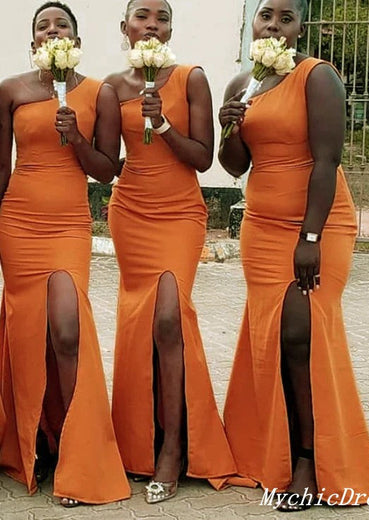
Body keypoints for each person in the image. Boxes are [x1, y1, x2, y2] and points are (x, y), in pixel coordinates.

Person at [218, 0, 369, 512]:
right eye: (266, 15)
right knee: (277, 338)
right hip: (262, 229)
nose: (274, 25)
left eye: (285, 18)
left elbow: (327, 159)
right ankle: (281, 449)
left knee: (299, 333)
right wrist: (228, 125)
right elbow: (234, 165)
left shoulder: (317, 77)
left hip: (320, 225)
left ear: (299, 28)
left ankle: (310, 460)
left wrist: (310, 237)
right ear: (253, 23)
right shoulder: (241, 85)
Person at [105, 0, 237, 505]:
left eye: (162, 19)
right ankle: (138, 442)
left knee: (168, 317)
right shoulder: (111, 86)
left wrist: (161, 125)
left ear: (170, 30)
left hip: (180, 212)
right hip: (130, 212)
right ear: (125, 27)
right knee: (141, 325)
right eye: (143, 16)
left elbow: (203, 158)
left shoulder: (191, 78)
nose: (152, 25)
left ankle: (174, 447)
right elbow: (108, 162)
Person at [0, 1, 130, 507]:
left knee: (67, 328)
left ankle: (79, 454)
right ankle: (35, 441)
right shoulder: (10, 90)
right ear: (33, 40)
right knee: (28, 332)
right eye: (43, 26)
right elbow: (2, 168)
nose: (52, 31)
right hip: (17, 221)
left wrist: (75, 135)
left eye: (61, 25)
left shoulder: (100, 93)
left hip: (68, 224)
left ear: (76, 40)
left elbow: (107, 169)